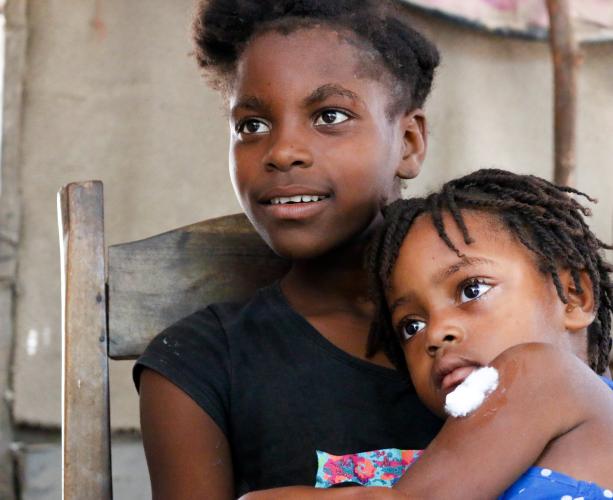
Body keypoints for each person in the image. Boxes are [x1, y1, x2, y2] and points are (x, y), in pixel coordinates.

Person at [132, 1, 444, 498]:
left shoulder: (499, 316)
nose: (281, 152)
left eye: (330, 116)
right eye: (252, 126)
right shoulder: (198, 364)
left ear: (407, 143)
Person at [245, 169, 613, 499]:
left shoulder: (543, 374)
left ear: (574, 295)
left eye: (472, 290)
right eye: (411, 326)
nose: (436, 334)